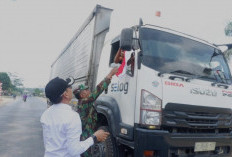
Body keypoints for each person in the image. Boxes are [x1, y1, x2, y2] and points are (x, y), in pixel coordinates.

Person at [40, 77, 109, 157]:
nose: (71, 89)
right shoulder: (72, 117)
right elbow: (74, 150)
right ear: (65, 94)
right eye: (69, 87)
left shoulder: (46, 114)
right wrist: (95, 137)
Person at [73, 67, 118, 157]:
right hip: (85, 137)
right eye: (86, 90)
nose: (89, 91)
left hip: (87, 135)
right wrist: (110, 75)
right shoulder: (84, 103)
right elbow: (97, 90)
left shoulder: (85, 103)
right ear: (82, 95)